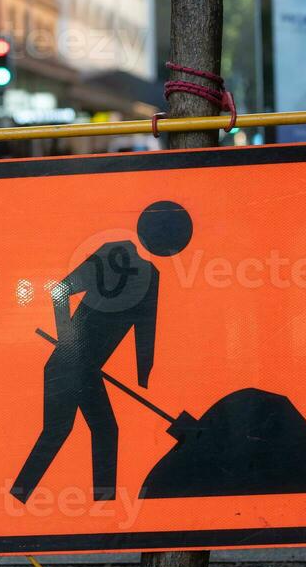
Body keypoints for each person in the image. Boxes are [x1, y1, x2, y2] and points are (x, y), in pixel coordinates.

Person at [11, 201, 194, 503]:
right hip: (68, 368)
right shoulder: (127, 261)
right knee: (60, 431)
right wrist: (69, 342)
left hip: (84, 369)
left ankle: (102, 504)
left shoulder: (125, 259)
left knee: (103, 430)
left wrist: (144, 378)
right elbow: (59, 291)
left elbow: (144, 333)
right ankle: (20, 496)